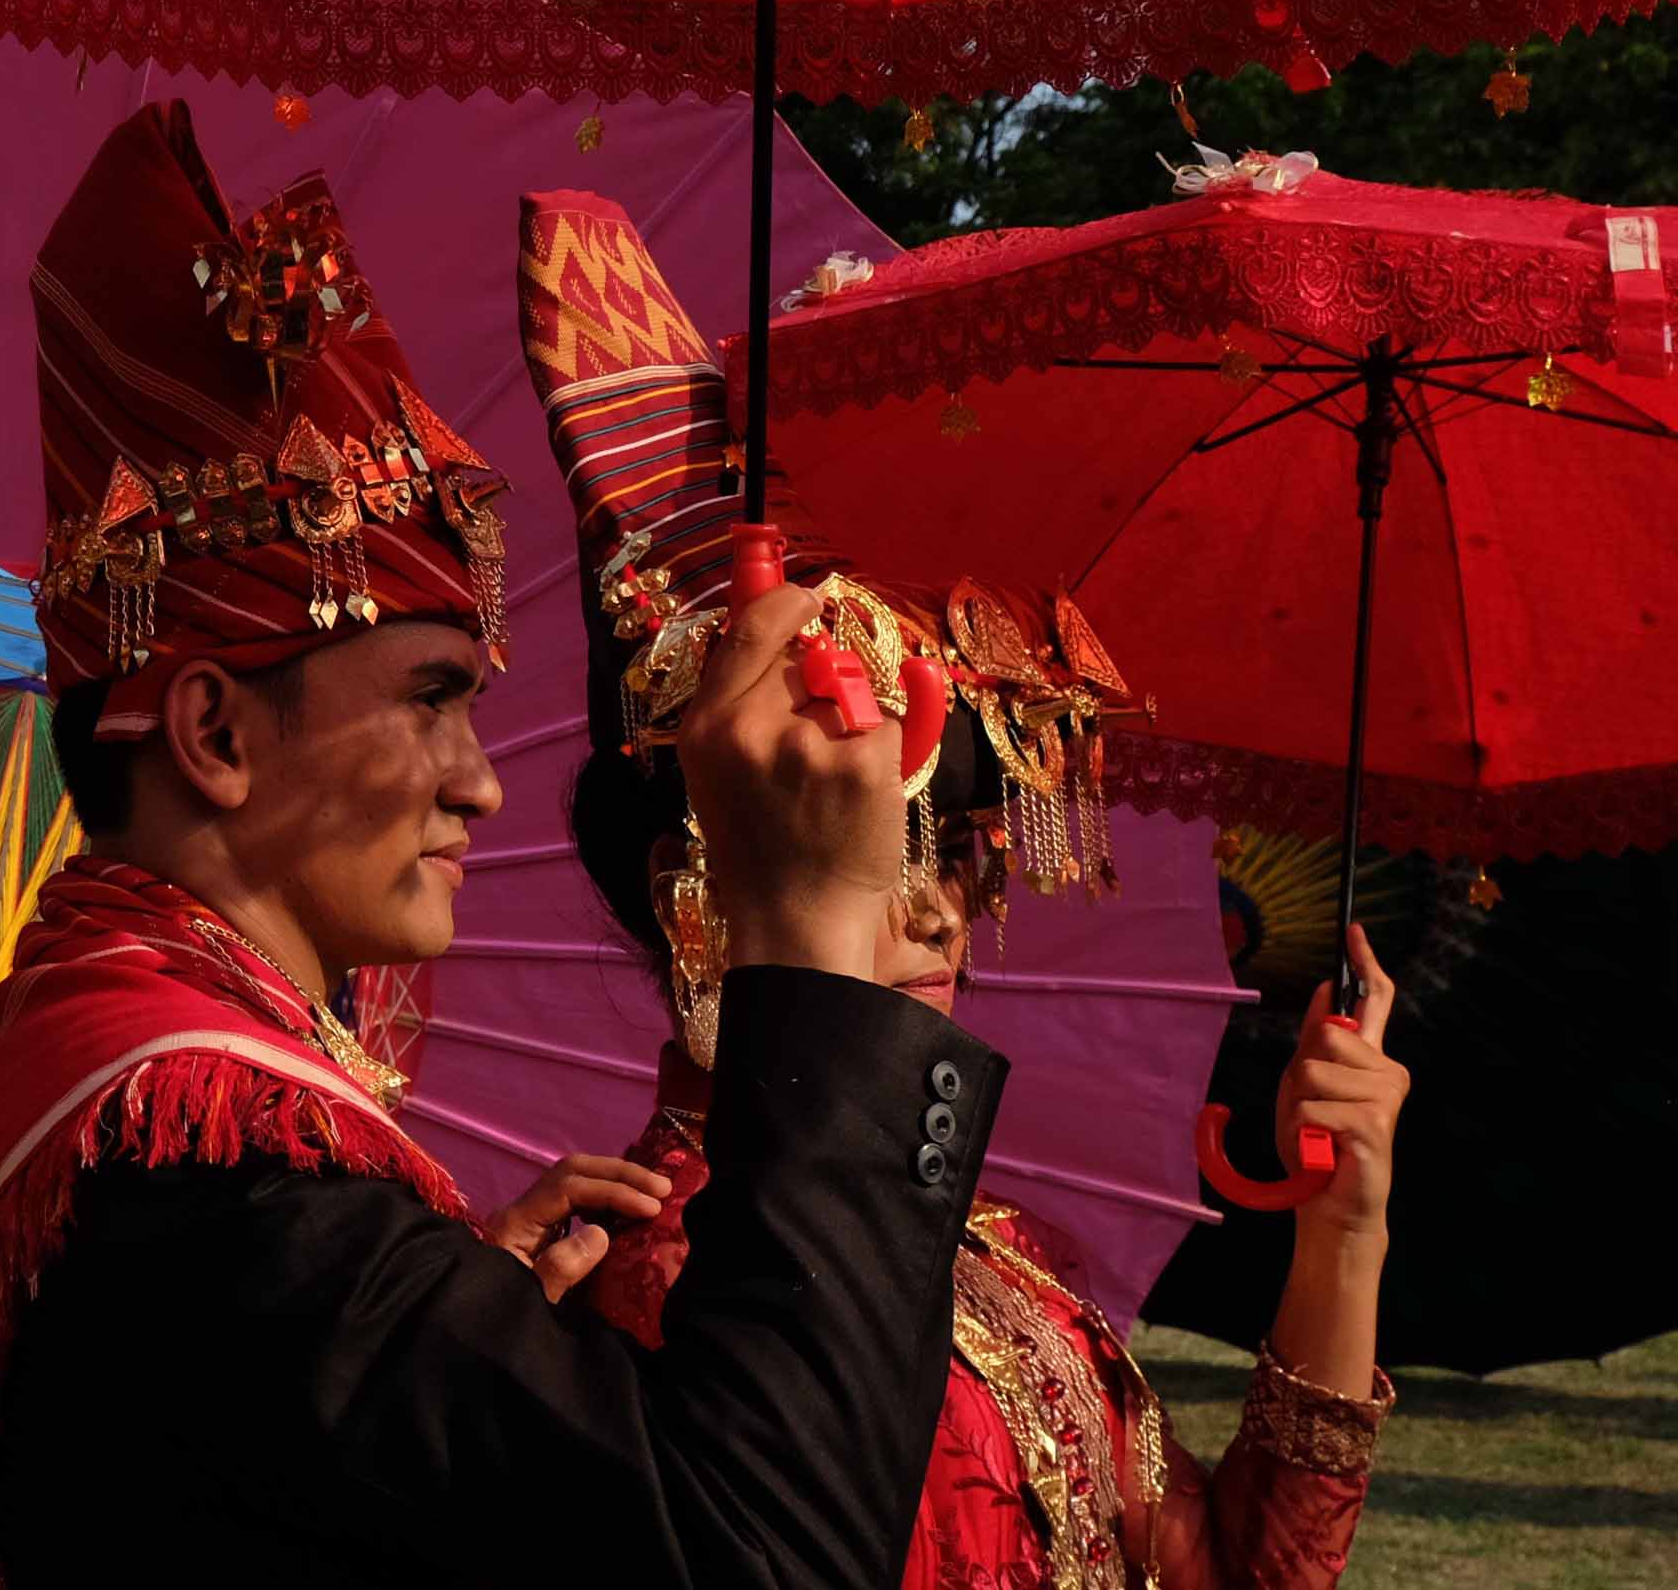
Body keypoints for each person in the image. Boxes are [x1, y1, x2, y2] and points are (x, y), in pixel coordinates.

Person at [0, 101, 1018, 1588]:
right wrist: (810, 943)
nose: (479, 786)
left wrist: (470, 1312)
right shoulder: (224, 1194)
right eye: (430, 702)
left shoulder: (154, 1118)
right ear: (215, 734)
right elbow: (767, 1561)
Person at [521, 189, 1404, 1590]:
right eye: (878, 850)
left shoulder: (994, 1249)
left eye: (956, 854)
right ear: (698, 888)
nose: (939, 912)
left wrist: (1340, 1237)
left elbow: (1231, 1574)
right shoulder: (662, 1285)